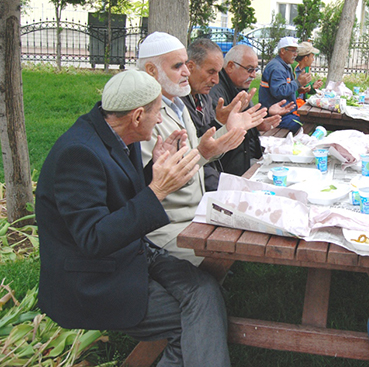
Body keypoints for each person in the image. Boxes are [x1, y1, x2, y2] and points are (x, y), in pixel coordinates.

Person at [36, 70, 232, 366]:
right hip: (94, 280)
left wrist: (154, 166)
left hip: (132, 252)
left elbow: (116, 195)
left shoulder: (115, 134)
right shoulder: (78, 153)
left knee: (204, 290)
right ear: (138, 116)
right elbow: (93, 239)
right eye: (158, 113)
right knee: (193, 321)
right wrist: (157, 190)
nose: (160, 120)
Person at [137, 31, 248, 265]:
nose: (187, 71)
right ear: (150, 70)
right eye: (178, 66)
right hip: (167, 223)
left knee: (244, 227)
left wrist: (227, 129)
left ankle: (205, 288)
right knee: (224, 250)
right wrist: (206, 151)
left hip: (194, 211)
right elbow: (155, 182)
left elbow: (198, 152)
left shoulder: (177, 103)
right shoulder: (143, 114)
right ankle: (201, 288)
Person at [182, 38, 273, 189]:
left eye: (255, 70)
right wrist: (220, 122)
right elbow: (200, 149)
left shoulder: (203, 93)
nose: (215, 80)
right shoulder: (185, 101)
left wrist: (257, 124)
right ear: (190, 67)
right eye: (211, 72)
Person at [209, 44, 294, 178]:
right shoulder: (216, 92)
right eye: (249, 70)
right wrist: (222, 121)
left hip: (245, 160)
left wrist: (262, 121)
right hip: (227, 172)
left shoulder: (238, 86)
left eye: (255, 70)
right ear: (230, 66)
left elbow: (247, 120)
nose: (254, 75)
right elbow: (214, 136)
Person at [259, 36, 312, 133]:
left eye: (296, 51)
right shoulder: (277, 68)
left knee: (310, 122)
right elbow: (279, 91)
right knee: (304, 127)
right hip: (275, 117)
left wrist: (299, 88)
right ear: (283, 51)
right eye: (293, 51)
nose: (296, 55)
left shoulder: (283, 65)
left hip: (284, 114)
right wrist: (298, 82)